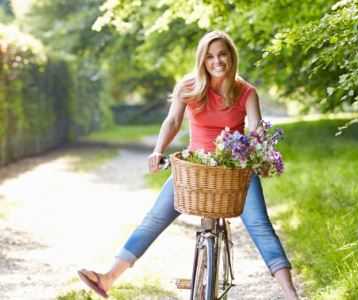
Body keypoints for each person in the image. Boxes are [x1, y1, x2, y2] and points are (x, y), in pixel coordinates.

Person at [77, 30, 299, 300]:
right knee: (154, 219)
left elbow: (254, 129)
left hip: (235, 170)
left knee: (260, 225)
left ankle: (291, 295)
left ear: (232, 57)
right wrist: (158, 150)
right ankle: (107, 278)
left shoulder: (246, 92)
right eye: (210, 57)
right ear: (202, 61)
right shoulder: (189, 87)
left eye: (222, 55)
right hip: (196, 169)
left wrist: (259, 145)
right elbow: (172, 122)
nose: (217, 61)